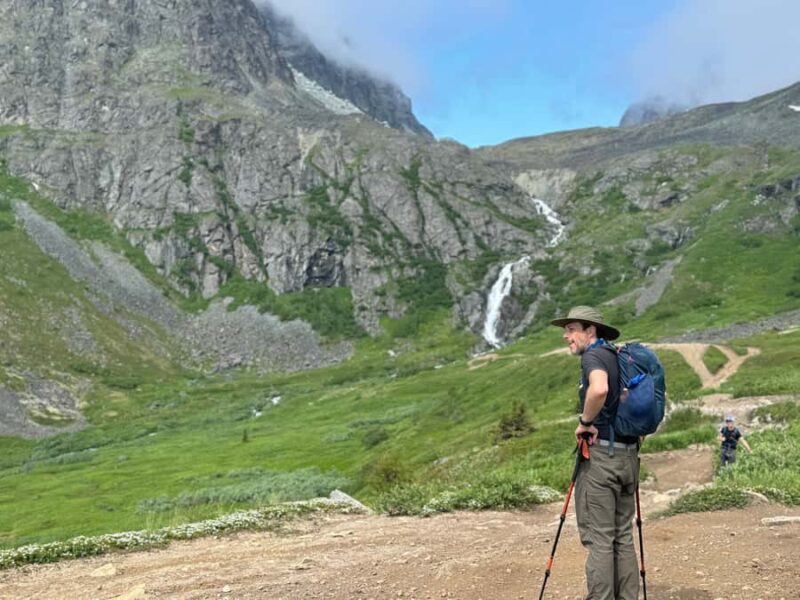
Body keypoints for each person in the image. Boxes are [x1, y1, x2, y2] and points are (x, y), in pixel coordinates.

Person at [551, 305, 639, 600]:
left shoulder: (593, 356)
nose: (566, 336)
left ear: (591, 330)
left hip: (602, 458)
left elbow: (598, 390)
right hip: (628, 456)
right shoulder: (616, 356)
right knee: (622, 536)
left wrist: (585, 422)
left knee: (600, 538)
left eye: (571, 329)